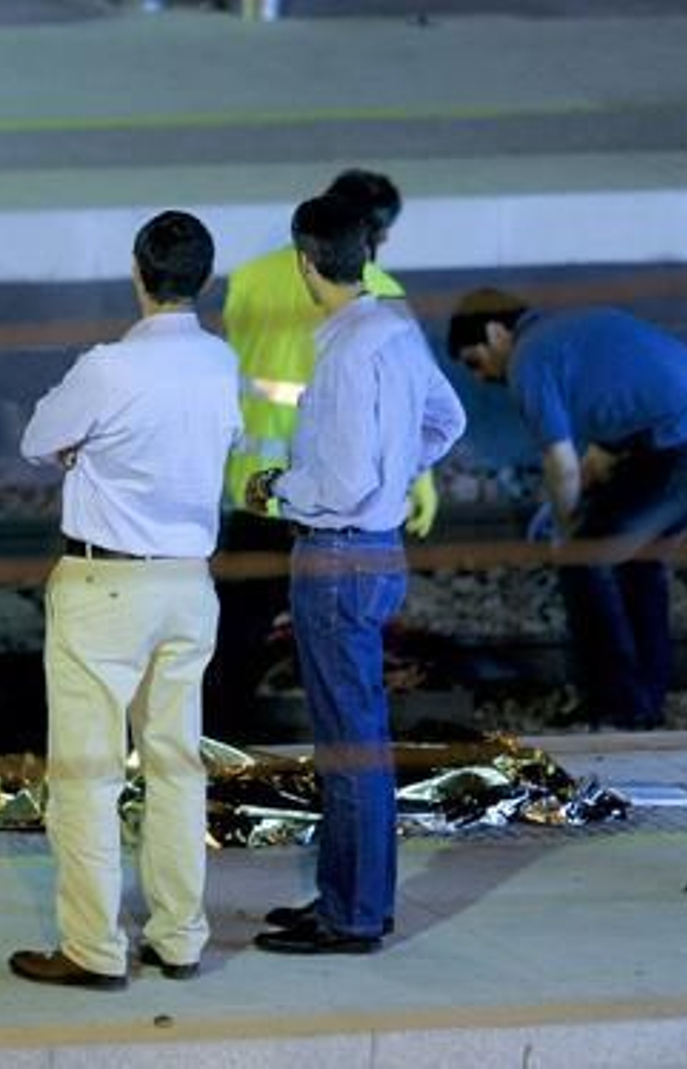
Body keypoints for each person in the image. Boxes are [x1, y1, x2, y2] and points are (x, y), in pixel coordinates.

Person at [9, 210, 241, 989]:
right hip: (188, 583)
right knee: (178, 765)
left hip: (105, 584)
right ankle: (179, 937)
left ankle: (94, 947)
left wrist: (83, 446)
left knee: (88, 773)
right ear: (203, 280)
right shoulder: (220, 363)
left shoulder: (107, 366)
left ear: (138, 273)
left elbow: (37, 439)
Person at [246, 195, 465, 955]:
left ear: (306, 262)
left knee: (347, 744)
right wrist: (398, 470)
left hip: (335, 555)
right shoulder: (395, 330)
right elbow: (449, 421)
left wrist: (274, 488)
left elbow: (334, 483)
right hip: (380, 551)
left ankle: (351, 916)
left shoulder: (342, 353)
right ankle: (355, 898)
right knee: (357, 736)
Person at [446, 289, 687, 730]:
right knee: (637, 563)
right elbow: (609, 437)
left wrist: (566, 527)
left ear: (496, 332)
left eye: (475, 361)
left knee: (586, 558)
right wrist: (574, 499)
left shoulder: (529, 359)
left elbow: (561, 465)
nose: (481, 376)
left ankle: (619, 706)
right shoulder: (569, 330)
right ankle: (643, 700)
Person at [210, 169, 439, 740]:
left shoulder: (251, 279)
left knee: (236, 631)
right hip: (336, 497)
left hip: (256, 487)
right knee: (339, 655)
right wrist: (417, 475)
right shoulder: (378, 289)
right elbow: (411, 396)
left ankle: (218, 750)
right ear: (365, 236)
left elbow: (239, 363)